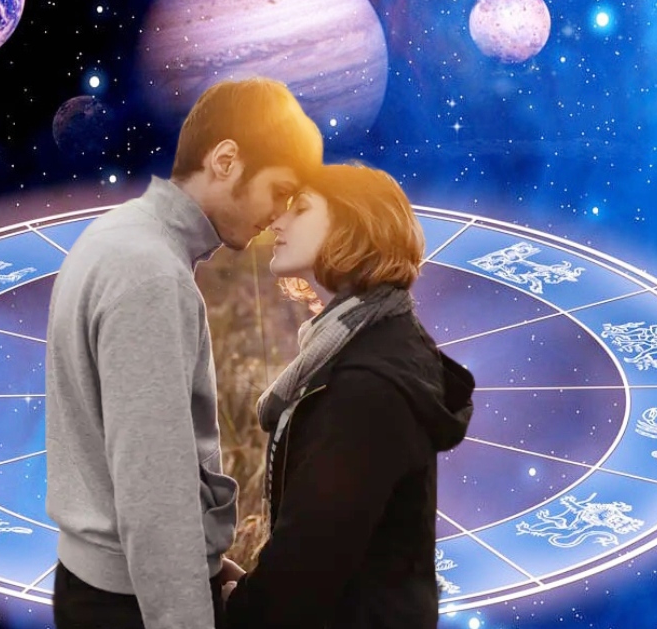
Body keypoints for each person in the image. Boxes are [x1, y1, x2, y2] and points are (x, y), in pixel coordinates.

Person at [45, 76, 324, 629]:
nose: (278, 215)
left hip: (109, 586)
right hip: (133, 604)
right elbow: (155, 492)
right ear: (225, 161)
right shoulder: (151, 275)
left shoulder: (119, 234)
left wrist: (210, 566)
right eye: (278, 190)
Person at [223, 162, 476, 629]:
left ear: (353, 225)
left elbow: (311, 560)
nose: (278, 219)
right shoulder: (370, 344)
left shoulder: (366, 384)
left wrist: (242, 610)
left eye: (300, 208)